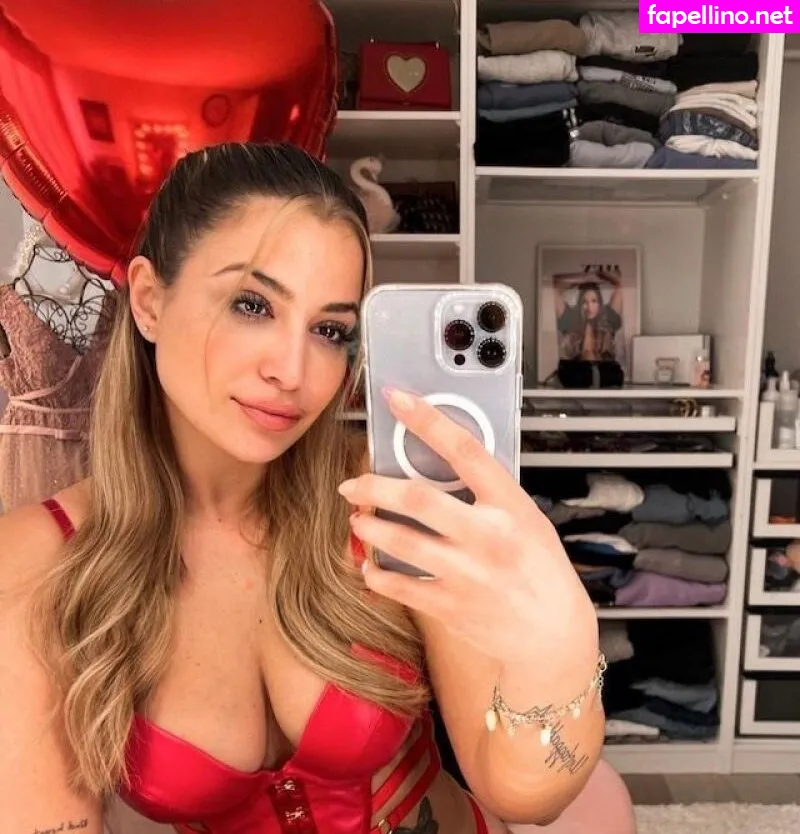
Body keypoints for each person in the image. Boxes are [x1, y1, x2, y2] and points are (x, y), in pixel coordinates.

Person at [0, 143, 636, 834]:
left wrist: (559, 655)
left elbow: (524, 794)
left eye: (331, 330)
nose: (293, 370)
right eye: (252, 304)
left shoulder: (389, 501)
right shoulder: (37, 563)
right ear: (151, 301)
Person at [554, 273, 624, 363]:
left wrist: (599, 272)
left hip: (604, 370)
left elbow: (620, 285)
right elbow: (554, 289)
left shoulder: (608, 317)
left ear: (599, 304)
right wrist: (582, 279)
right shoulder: (571, 318)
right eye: (584, 302)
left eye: (594, 301)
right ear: (579, 304)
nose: (589, 307)